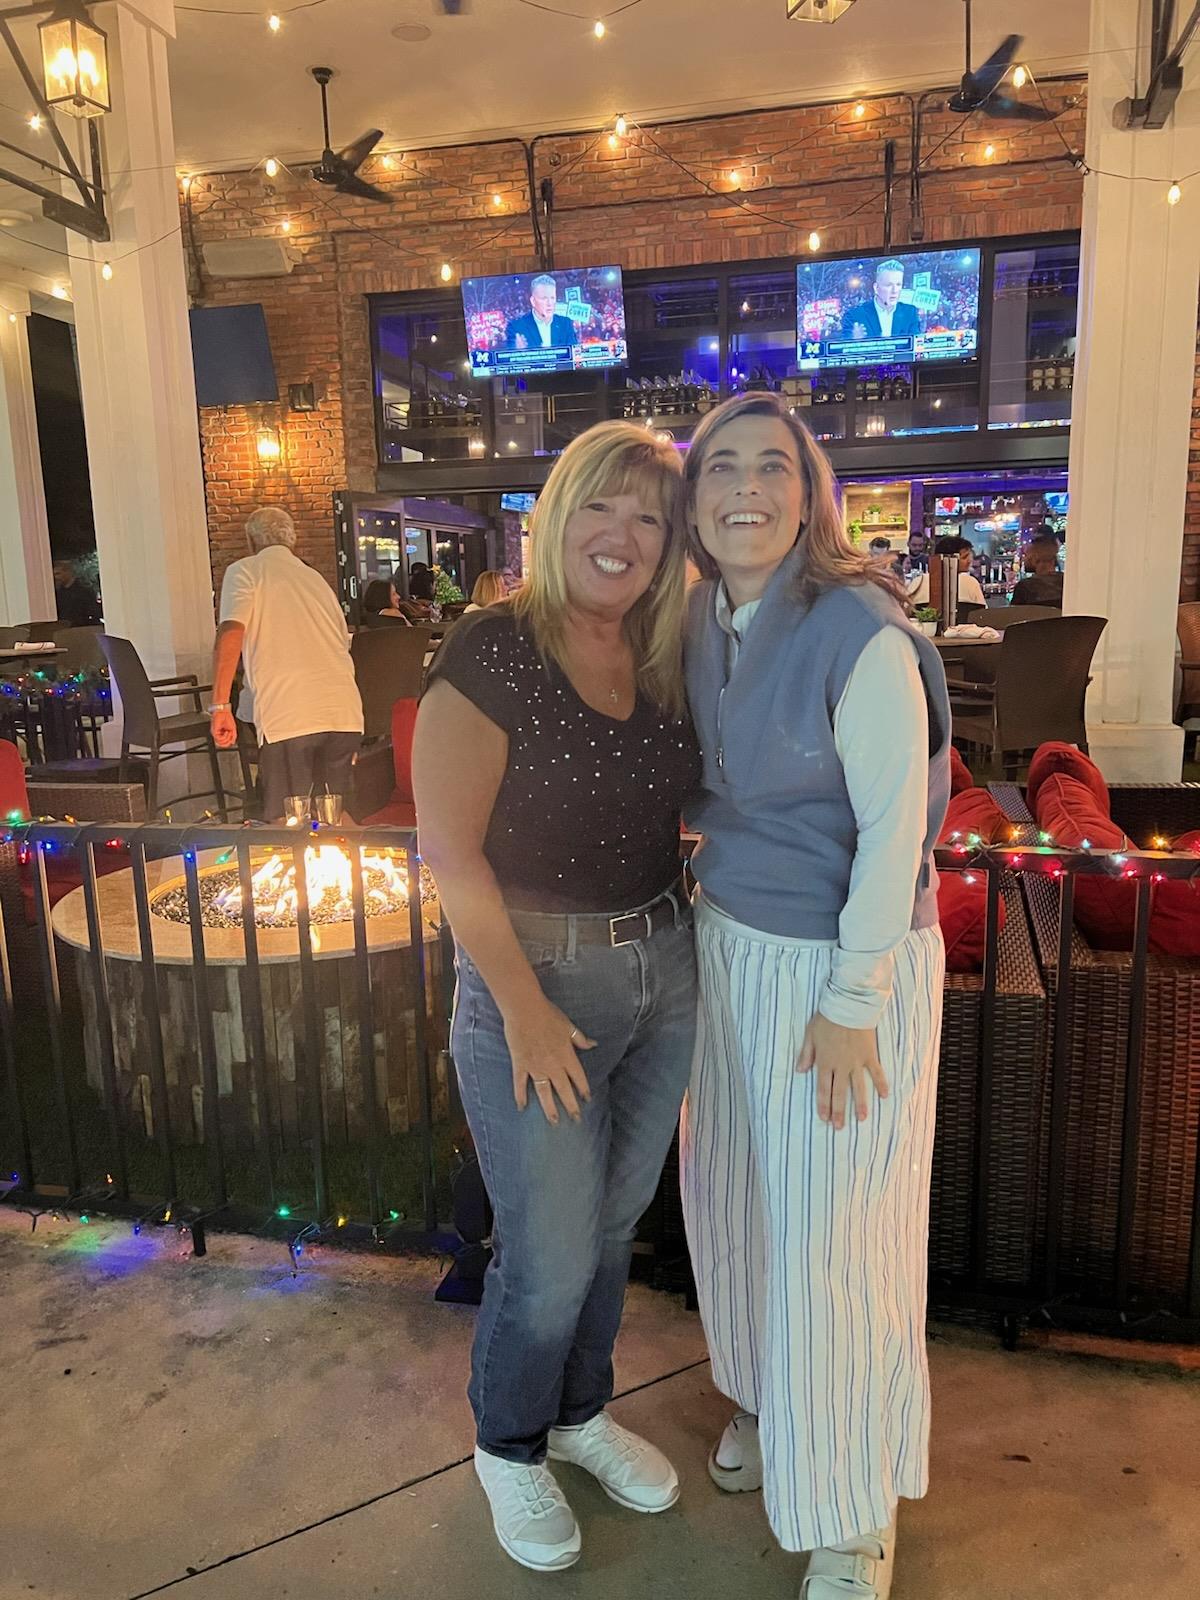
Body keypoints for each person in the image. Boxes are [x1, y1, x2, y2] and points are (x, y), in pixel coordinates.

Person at [413, 421, 700, 1574]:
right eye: (601, 508)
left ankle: (581, 1413)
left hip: (662, 966)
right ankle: (510, 1442)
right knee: (545, 1248)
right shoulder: (494, 650)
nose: (621, 536)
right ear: (557, 516)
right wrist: (523, 1006)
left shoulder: (667, 656)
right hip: (535, 980)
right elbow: (450, 852)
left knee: (610, 1228)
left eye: (648, 517)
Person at [679, 392, 951, 1600]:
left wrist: (852, 999)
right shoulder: (701, 618)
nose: (745, 487)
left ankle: (849, 1511)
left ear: (810, 492)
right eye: (720, 466)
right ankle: (768, 1403)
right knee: (736, 1200)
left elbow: (897, 830)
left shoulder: (861, 630)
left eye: (770, 466)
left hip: (843, 965)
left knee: (840, 1237)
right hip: (727, 948)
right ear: (697, 499)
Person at [210, 507, 363, 820]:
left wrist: (220, 706)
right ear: (292, 542)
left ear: (251, 543)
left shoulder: (246, 571)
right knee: (335, 822)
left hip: (289, 714)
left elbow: (231, 633)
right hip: (345, 714)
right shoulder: (316, 580)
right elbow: (343, 645)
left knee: (289, 823)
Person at [841, 259, 923, 344]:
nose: (895, 290)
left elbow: (916, 347)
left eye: (898, 284)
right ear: (876, 288)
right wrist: (854, 341)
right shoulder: (855, 316)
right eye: (889, 285)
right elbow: (843, 350)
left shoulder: (909, 312)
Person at [907, 534, 986, 611]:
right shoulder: (970, 582)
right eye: (964, 557)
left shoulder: (917, 581)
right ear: (949, 559)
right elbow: (982, 614)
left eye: (969, 556)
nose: (969, 561)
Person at [505, 274, 579, 353]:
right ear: (533, 301)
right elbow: (509, 360)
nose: (549, 303)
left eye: (552, 298)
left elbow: (575, 356)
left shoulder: (565, 323)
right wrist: (519, 352)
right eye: (544, 298)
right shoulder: (516, 327)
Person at [1010, 532, 1064, 609]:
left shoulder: (1025, 587)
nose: (1024, 559)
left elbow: (1014, 616)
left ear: (1035, 558)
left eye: (1026, 555)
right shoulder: (1066, 582)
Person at [52, 558, 101, 627]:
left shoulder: (84, 591)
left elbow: (92, 613)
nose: (55, 577)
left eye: (58, 574)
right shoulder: (58, 593)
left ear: (67, 572)